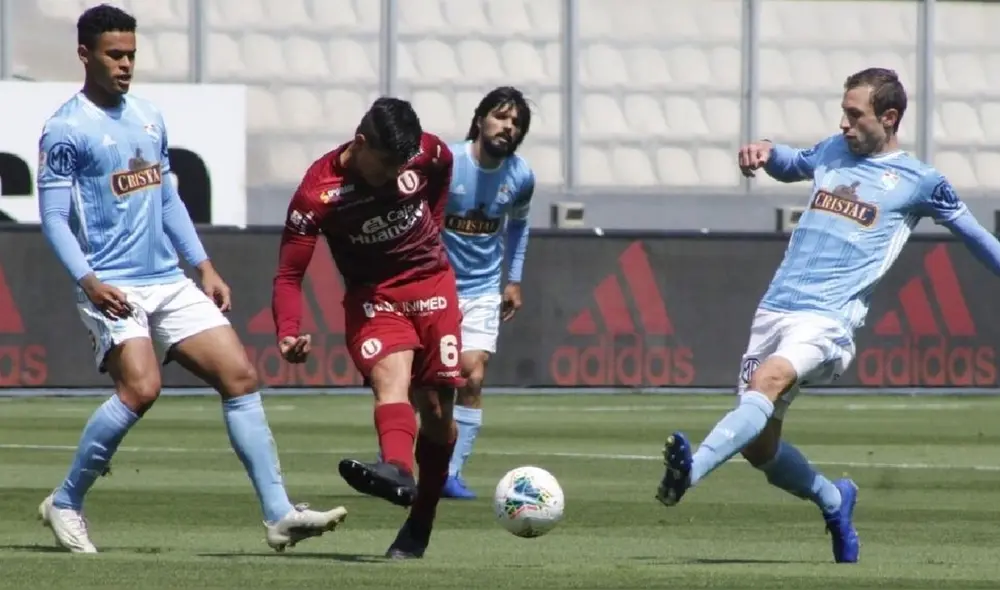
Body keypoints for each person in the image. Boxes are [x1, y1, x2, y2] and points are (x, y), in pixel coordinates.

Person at [35, 4, 347, 554]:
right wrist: (87, 280)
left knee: (240, 377)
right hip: (113, 282)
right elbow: (55, 218)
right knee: (141, 388)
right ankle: (65, 501)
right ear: (85, 54)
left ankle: (278, 514)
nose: (126, 64)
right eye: (115, 55)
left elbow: (167, 197)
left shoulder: (150, 116)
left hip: (167, 278)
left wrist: (202, 264)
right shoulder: (66, 129)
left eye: (131, 54)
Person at [656, 67, 1000, 564]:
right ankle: (834, 500)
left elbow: (978, 239)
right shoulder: (834, 152)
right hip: (775, 308)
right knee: (760, 449)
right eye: (843, 113)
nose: (844, 124)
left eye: (854, 114)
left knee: (769, 381)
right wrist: (765, 151)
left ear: (889, 117)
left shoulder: (920, 181)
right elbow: (791, 163)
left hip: (829, 321)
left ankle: (690, 474)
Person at [272, 96, 463, 559]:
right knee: (391, 381)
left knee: (437, 411)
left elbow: (442, 165)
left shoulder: (424, 154)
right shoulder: (318, 193)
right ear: (361, 144)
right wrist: (288, 330)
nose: (398, 174)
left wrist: (433, 225)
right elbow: (289, 274)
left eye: (404, 164)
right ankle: (397, 468)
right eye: (387, 164)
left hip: (432, 284)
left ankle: (421, 522)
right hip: (375, 296)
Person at [438, 86, 535, 499]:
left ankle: (450, 473)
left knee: (471, 375)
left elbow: (518, 225)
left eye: (515, 123)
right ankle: (405, 459)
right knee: (431, 381)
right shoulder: (448, 164)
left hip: (481, 288)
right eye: (500, 117)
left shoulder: (520, 176)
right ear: (480, 120)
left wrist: (512, 279)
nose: (507, 126)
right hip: (434, 284)